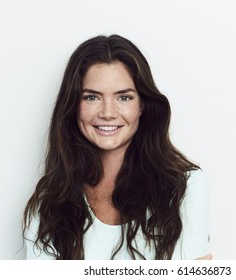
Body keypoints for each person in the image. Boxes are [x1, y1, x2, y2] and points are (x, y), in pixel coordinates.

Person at [23, 34, 210, 260]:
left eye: (124, 98)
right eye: (92, 97)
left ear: (142, 105)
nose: (108, 113)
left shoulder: (185, 187)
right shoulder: (49, 204)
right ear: (73, 106)